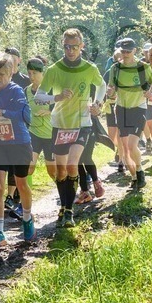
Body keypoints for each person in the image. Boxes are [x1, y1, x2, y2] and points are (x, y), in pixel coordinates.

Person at [37, 28, 106, 226]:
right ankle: (64, 207)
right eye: (67, 47)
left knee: (72, 164)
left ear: (82, 46)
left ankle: (69, 211)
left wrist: (98, 104)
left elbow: (101, 86)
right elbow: (39, 96)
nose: (70, 51)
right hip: (60, 124)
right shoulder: (54, 69)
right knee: (61, 171)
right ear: (63, 46)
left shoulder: (90, 68)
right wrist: (56, 97)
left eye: (74, 47)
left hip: (82, 123)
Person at [0, 52, 34, 246]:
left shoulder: (17, 91)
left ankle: (28, 219)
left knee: (21, 184)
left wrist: (0, 112)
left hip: (19, 143)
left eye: (2, 75)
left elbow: (20, 115)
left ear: (10, 74)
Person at [106, 38, 152, 189]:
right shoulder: (115, 68)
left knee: (131, 144)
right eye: (123, 51)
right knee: (125, 147)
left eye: (128, 51)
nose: (125, 53)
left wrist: (151, 92)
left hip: (138, 108)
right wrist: (110, 91)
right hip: (121, 108)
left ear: (135, 50)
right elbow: (111, 87)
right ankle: (134, 177)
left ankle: (140, 171)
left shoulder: (143, 67)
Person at [24, 57, 57, 194]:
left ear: (42, 72)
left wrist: (49, 111)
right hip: (34, 133)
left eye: (35, 73)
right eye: (29, 73)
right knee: (29, 167)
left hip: (51, 135)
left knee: (53, 171)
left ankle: (65, 193)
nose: (32, 77)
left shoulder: (52, 88)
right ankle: (25, 199)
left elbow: (64, 107)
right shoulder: (26, 91)